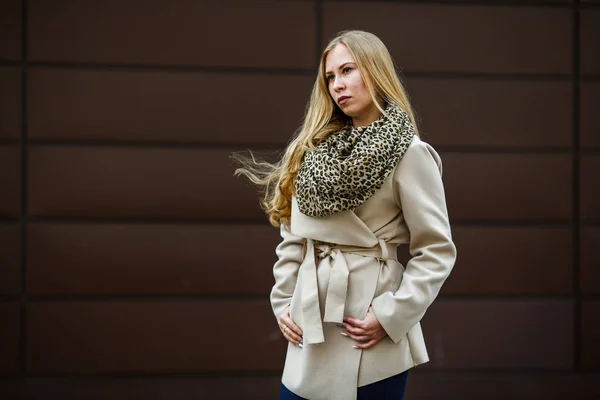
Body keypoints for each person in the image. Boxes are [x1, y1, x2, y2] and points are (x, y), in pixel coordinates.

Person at [234, 30, 456, 400]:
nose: (338, 85)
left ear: (374, 70)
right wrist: (283, 301)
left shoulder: (412, 153)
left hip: (366, 330)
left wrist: (390, 317)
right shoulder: (315, 152)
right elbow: (294, 236)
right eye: (330, 77)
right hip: (310, 324)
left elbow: (436, 249)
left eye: (347, 70)